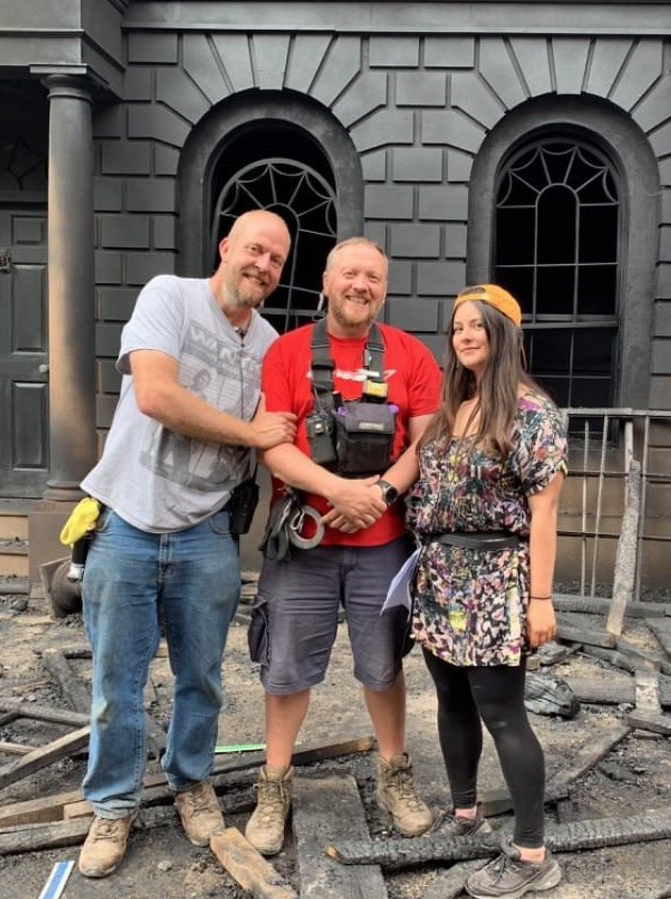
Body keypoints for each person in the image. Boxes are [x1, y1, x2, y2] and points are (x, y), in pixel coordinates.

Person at [75, 210, 297, 878]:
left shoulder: (271, 344)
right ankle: (113, 804)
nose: (263, 265)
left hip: (207, 533)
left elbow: (283, 431)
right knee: (117, 681)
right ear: (226, 247)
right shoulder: (167, 296)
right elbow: (156, 395)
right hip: (128, 524)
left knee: (202, 677)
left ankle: (190, 781)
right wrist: (250, 433)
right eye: (255, 249)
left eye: (278, 260)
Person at [243, 237, 441, 856]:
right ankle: (274, 785)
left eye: (374, 277)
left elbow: (426, 443)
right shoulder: (286, 353)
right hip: (304, 540)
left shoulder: (411, 356)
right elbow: (270, 444)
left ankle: (394, 776)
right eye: (350, 273)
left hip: (384, 545)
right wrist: (338, 492)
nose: (362, 285)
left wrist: (379, 495)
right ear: (325, 282)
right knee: (284, 669)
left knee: (383, 667)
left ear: (384, 287)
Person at [406, 284, 568, 899]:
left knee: (502, 711)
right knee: (450, 699)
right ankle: (466, 814)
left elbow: (545, 514)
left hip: (497, 579)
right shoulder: (455, 409)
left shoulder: (531, 414)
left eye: (478, 325)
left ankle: (531, 854)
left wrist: (541, 599)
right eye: (457, 328)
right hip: (441, 575)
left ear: (504, 334)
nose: (465, 335)